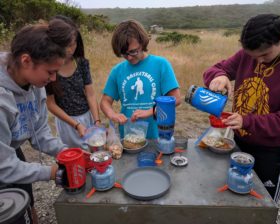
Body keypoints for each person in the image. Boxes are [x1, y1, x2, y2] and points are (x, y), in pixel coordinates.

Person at [203, 14, 280, 202]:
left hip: (270, 150)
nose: (259, 61)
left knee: (264, 203)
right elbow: (214, 69)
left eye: (264, 55)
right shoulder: (247, 55)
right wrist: (219, 76)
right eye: (253, 56)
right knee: (234, 194)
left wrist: (246, 121)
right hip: (238, 141)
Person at [0, 19, 75, 223]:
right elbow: (4, 167)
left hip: (10, 151)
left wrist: (67, 153)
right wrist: (52, 172)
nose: (53, 79)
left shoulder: (35, 83)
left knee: (26, 202)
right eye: (50, 72)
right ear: (26, 60)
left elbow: (40, 132)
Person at [100, 19, 181, 139]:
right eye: (124, 53)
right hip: (128, 137)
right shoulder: (117, 71)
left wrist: (150, 111)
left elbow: (176, 99)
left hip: (157, 135)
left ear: (142, 43)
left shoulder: (161, 64)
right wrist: (112, 115)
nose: (129, 57)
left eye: (133, 51)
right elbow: (105, 101)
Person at [46, 16, 101, 149]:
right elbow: (51, 104)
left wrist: (96, 121)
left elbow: (90, 94)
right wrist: (75, 124)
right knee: (74, 156)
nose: (71, 49)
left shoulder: (81, 63)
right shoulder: (49, 68)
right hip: (66, 122)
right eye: (67, 46)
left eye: (74, 44)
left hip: (86, 117)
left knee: (94, 151)